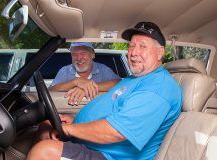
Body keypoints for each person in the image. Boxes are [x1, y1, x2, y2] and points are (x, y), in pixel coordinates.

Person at [27, 22, 183, 160]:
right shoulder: (134, 80)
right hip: (95, 145)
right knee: (46, 127)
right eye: (131, 46)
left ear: (160, 52)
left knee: (44, 151)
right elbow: (112, 111)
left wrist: (69, 129)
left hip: (108, 155)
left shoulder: (158, 87)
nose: (133, 52)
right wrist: (76, 122)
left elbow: (117, 131)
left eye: (142, 46)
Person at [48, 42, 120, 105]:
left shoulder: (102, 69)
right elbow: (50, 90)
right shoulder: (64, 71)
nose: (79, 58)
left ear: (93, 55)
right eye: (74, 54)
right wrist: (75, 82)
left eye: (83, 53)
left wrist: (88, 88)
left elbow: (119, 84)